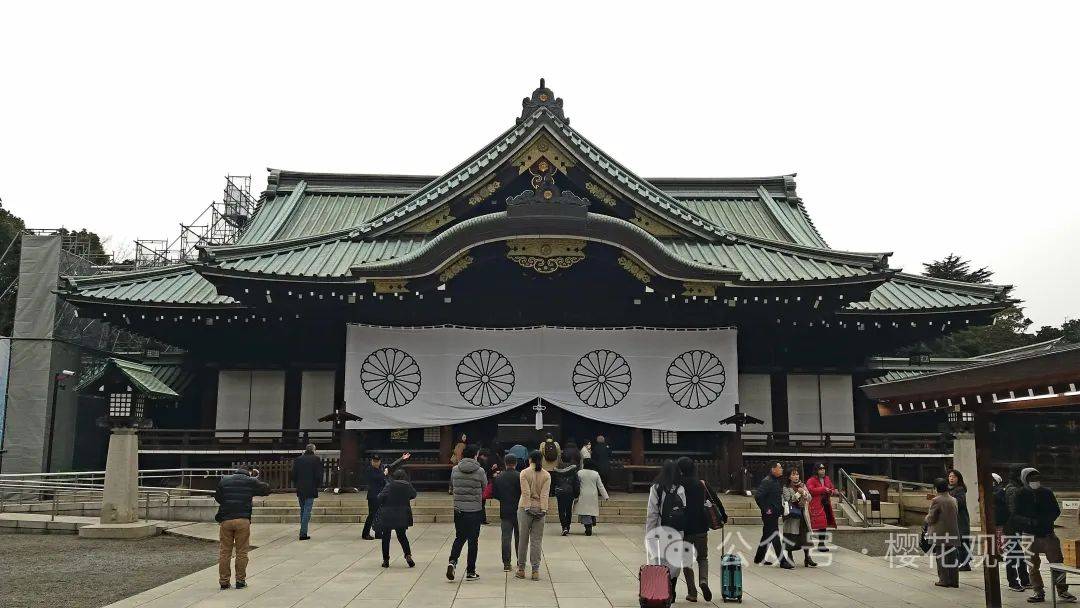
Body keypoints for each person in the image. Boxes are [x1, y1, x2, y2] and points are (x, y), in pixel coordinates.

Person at [1014, 468, 1075, 603]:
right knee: (1032, 566)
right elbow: (1015, 514)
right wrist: (1029, 521)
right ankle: (1038, 591)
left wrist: (1048, 520)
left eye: (1037, 479)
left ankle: (1062, 590)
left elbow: (1056, 510)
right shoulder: (1020, 494)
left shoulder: (1047, 492)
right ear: (1025, 480)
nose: (1035, 482)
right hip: (1029, 534)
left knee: (1057, 563)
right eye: (1031, 480)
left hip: (1048, 534)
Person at [214, 467, 270, 590]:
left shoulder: (224, 480)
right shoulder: (250, 481)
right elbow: (266, 489)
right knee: (241, 552)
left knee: (225, 552)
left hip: (226, 519)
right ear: (248, 472)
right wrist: (255, 479)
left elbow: (217, 497)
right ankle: (240, 581)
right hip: (242, 520)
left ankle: (224, 581)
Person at [646, 460, 686, 599]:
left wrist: (649, 532)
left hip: (661, 529)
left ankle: (663, 590)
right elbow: (684, 509)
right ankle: (672, 589)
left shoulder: (656, 488)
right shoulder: (681, 488)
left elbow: (652, 513)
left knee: (661, 560)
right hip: (678, 529)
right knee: (675, 561)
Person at [677, 457, 715, 603]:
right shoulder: (701, 484)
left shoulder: (678, 485)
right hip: (701, 527)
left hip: (684, 528)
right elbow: (715, 500)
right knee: (702, 558)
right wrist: (722, 516)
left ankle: (692, 592)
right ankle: (703, 581)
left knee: (686, 561)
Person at [447, 444, 487, 581]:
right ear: (476, 455)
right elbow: (485, 486)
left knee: (459, 537)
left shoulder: (455, 469)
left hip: (459, 509)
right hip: (475, 510)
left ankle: (452, 561)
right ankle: (470, 571)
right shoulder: (480, 471)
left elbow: (452, 484)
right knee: (473, 541)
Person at [517, 450, 551, 581]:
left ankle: (521, 569)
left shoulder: (524, 473)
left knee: (523, 540)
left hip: (525, 509)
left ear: (530, 459)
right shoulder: (546, 475)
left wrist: (527, 507)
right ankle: (535, 570)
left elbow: (525, 492)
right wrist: (543, 509)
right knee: (536, 541)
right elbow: (545, 494)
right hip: (539, 509)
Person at [362, 452, 410, 540]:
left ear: (380, 461)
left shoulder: (383, 467)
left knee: (381, 514)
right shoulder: (369, 469)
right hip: (373, 495)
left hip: (382, 495)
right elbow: (375, 478)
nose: (375, 463)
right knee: (372, 515)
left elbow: (393, 466)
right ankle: (365, 533)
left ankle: (378, 533)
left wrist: (402, 458)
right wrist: (384, 474)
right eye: (374, 461)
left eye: (377, 461)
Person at [753, 462, 793, 568]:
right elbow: (758, 496)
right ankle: (783, 561)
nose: (781, 470)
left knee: (767, 535)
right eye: (779, 468)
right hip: (769, 514)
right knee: (775, 536)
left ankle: (759, 558)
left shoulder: (775, 481)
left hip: (774, 513)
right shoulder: (767, 481)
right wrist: (766, 509)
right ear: (773, 469)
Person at [376, 469, 417, 568]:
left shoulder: (389, 485)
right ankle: (408, 555)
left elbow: (380, 497)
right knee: (402, 536)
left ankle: (386, 560)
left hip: (388, 514)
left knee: (386, 537)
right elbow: (413, 494)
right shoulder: (407, 485)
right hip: (402, 514)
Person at [926, 477, 960, 588]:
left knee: (941, 557)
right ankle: (954, 580)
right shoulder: (953, 499)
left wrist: (926, 519)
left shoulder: (936, 500)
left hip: (940, 533)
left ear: (936, 488)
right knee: (952, 557)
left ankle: (944, 580)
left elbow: (931, 518)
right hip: (953, 532)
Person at [1004, 464, 1033, 592]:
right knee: (1012, 555)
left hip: (1018, 525)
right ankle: (1013, 581)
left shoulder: (1018, 487)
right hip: (1011, 525)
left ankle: (1025, 579)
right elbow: (1013, 509)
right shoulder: (1012, 489)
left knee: (1020, 555)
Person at [781, 467, 817, 568]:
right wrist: (798, 493)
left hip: (803, 515)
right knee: (791, 536)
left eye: (797, 474)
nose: (796, 476)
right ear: (789, 477)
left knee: (805, 536)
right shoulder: (786, 487)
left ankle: (807, 557)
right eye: (793, 474)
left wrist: (804, 493)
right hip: (792, 516)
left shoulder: (803, 485)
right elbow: (788, 500)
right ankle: (790, 557)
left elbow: (809, 497)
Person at [492, 453, 522, 571]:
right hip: (519, 510)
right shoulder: (520, 476)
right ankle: (520, 561)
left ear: (505, 463)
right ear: (515, 463)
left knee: (506, 537)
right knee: (520, 537)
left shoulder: (499, 477)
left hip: (505, 509)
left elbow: (495, 494)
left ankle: (507, 563)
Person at [291, 444, 323, 541]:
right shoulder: (316, 459)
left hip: (300, 487)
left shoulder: (298, 459)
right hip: (311, 487)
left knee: (302, 509)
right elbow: (318, 475)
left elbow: (293, 475)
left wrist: (297, 484)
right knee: (307, 510)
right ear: (314, 450)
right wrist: (317, 485)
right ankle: (303, 532)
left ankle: (303, 529)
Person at [805, 463, 838, 552]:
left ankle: (821, 543)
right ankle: (819, 544)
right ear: (816, 470)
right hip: (817, 505)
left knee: (824, 525)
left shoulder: (827, 478)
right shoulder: (811, 480)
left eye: (823, 468)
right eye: (820, 469)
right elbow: (810, 490)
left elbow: (831, 488)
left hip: (826, 504)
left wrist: (831, 491)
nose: (822, 470)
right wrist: (823, 489)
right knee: (820, 525)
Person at [946, 469, 972, 571]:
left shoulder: (960, 489)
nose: (951, 478)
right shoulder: (948, 489)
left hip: (960, 519)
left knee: (962, 541)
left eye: (954, 477)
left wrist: (947, 499)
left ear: (958, 478)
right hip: (952, 519)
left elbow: (960, 503)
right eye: (950, 476)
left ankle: (965, 563)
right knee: (957, 542)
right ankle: (961, 562)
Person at [576, 458, 609, 536]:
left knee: (585, 512)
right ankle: (592, 522)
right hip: (593, 494)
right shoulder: (595, 473)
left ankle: (588, 526)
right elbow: (600, 486)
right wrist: (605, 496)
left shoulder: (580, 473)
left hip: (583, 494)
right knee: (591, 510)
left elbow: (576, 484)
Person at [551, 458, 580, 535]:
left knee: (561, 510)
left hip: (560, 491)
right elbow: (576, 483)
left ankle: (564, 527)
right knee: (568, 510)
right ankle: (568, 526)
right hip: (570, 492)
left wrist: (553, 492)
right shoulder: (573, 470)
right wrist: (576, 494)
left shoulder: (557, 470)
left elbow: (553, 482)